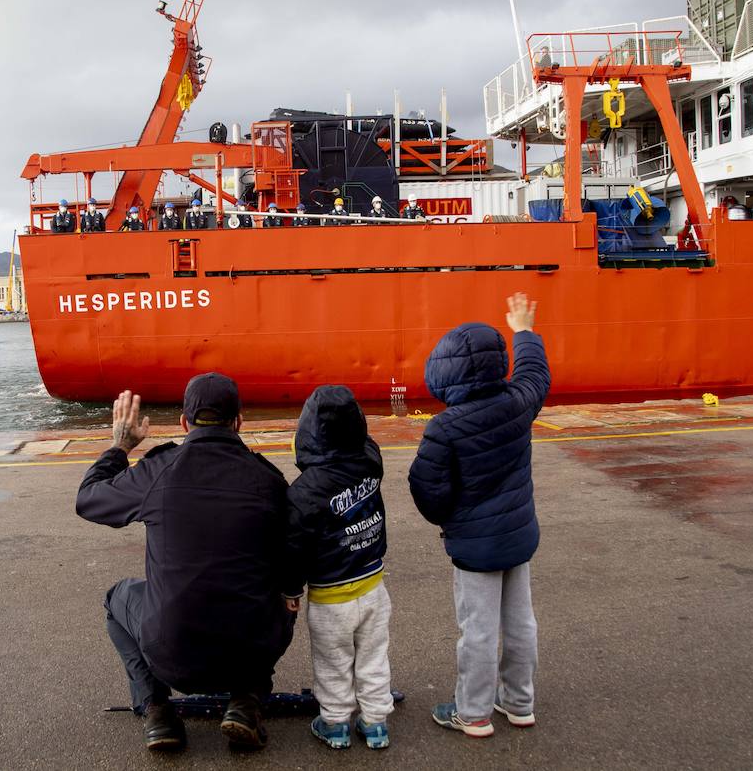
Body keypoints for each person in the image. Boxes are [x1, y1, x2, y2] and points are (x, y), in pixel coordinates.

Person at [76, 376, 297, 753]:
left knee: (117, 599)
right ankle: (247, 700)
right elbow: (292, 553)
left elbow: (88, 499)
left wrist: (120, 446)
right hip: (247, 654)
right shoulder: (269, 479)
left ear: (183, 423)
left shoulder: (158, 469)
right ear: (239, 422)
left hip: (171, 656)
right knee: (285, 593)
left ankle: (158, 710)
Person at [408, 293, 549, 739]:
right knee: (521, 621)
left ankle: (472, 712)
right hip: (519, 536)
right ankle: (519, 702)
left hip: (474, 547)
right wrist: (523, 330)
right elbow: (535, 374)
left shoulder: (444, 427)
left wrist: (452, 517)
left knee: (478, 631)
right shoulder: (517, 403)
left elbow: (427, 492)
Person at [285, 386, 393, 751]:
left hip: (331, 596)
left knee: (333, 663)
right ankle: (376, 723)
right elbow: (367, 444)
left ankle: (334, 723)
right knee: (374, 657)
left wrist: (290, 589)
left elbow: (294, 547)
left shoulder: (303, 493)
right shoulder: (370, 461)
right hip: (374, 587)